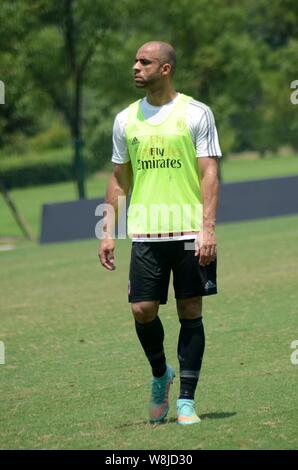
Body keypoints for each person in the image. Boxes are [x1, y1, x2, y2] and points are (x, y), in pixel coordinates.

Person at [98, 41, 221, 425]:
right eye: (135, 60)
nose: (135, 67)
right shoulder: (125, 119)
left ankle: (186, 400)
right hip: (146, 235)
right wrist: (106, 232)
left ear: (165, 69)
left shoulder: (196, 113)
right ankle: (159, 373)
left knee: (191, 310)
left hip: (188, 232)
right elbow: (119, 179)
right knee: (142, 310)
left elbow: (209, 174)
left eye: (144, 61)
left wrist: (208, 229)